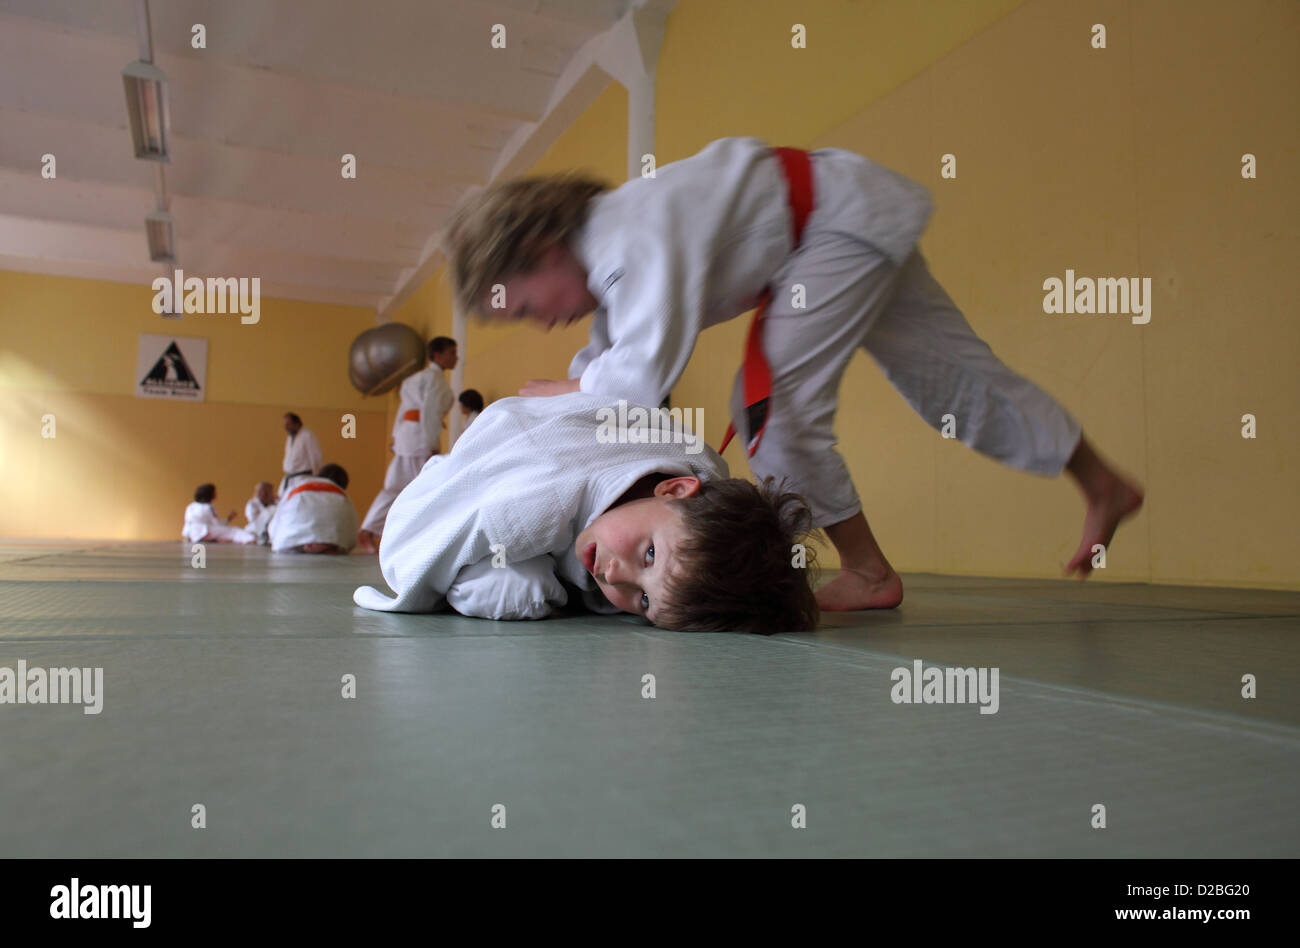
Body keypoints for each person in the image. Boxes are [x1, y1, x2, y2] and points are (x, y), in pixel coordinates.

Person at [444, 137, 1144, 611]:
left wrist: (554, 392)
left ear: (540, 249)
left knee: (769, 409)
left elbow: (629, 381)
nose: (540, 322)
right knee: (954, 385)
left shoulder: (623, 236)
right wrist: (571, 389)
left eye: (526, 306)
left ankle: (869, 573)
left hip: (832, 229)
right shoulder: (607, 256)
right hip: (851, 217)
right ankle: (1103, 482)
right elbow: (605, 369)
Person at [353, 393, 817, 635]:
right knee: (517, 589)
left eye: (643, 602)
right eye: (650, 555)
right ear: (676, 487)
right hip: (508, 449)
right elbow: (410, 541)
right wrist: (418, 588)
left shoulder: (679, 516)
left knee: (526, 583)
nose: (615, 576)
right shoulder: (538, 499)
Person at [357, 338, 458, 553]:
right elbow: (429, 411)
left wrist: (395, 437)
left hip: (406, 436)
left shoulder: (413, 379)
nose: (455, 357)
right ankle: (418, 540)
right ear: (437, 356)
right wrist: (431, 442)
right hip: (421, 438)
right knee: (424, 488)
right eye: (451, 353)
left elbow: (403, 410)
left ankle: (369, 529)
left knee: (394, 487)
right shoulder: (435, 380)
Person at [268, 463, 359, 554]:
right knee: (337, 538)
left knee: (287, 538)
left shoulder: (297, 486)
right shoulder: (342, 494)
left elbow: (276, 520)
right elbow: (352, 528)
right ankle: (326, 543)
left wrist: (274, 538)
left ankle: (305, 542)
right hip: (334, 541)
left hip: (291, 540)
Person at [182, 484, 255, 544]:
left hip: (190, 533)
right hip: (204, 532)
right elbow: (217, 524)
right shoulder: (209, 507)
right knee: (234, 531)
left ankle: (215, 539)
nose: (216, 494)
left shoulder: (191, 506)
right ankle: (251, 540)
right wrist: (228, 519)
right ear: (209, 494)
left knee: (224, 533)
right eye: (214, 492)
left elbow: (188, 522)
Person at [279, 412, 322, 496]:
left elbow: (315, 457)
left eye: (288, 424)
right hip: (289, 478)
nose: (286, 427)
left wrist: (316, 477)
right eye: (285, 424)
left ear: (297, 423)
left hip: (304, 478)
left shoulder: (308, 436)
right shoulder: (290, 438)